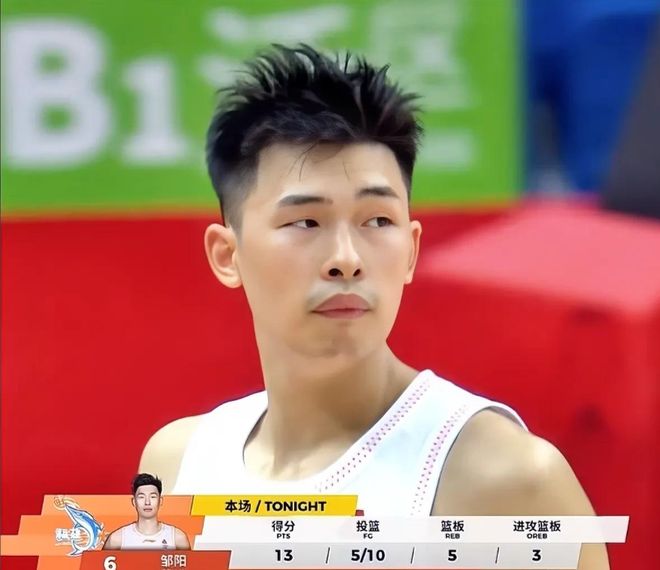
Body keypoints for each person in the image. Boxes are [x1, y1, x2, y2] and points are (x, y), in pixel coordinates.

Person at [139, 45, 609, 568]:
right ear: (227, 255)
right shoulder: (176, 466)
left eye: (378, 221)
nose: (346, 259)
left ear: (410, 250)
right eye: (306, 222)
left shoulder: (507, 481)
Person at [103, 474, 190, 550]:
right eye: (141, 497)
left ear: (160, 501)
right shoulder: (116, 540)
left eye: (152, 497)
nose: (147, 502)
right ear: (134, 502)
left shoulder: (178, 539)